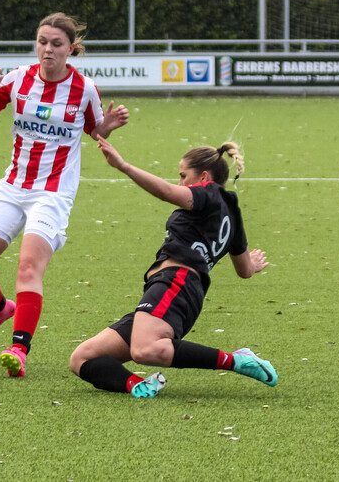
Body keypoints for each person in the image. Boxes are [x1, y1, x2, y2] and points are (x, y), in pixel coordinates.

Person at [0, 13, 129, 378]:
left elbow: (93, 129)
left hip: (53, 193)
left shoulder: (84, 88)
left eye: (56, 44)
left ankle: (19, 349)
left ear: (71, 49)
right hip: (13, 186)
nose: (47, 49)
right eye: (42, 41)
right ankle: (0, 310)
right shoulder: (17, 79)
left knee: (28, 267)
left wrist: (107, 126)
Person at [69, 136, 278, 398]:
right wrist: (254, 265)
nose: (180, 182)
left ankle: (236, 360)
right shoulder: (230, 212)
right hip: (172, 291)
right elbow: (244, 269)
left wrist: (123, 166)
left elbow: (168, 193)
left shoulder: (208, 194)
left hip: (176, 283)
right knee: (83, 358)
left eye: (183, 175)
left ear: (203, 177)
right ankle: (141, 386)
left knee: (145, 350)